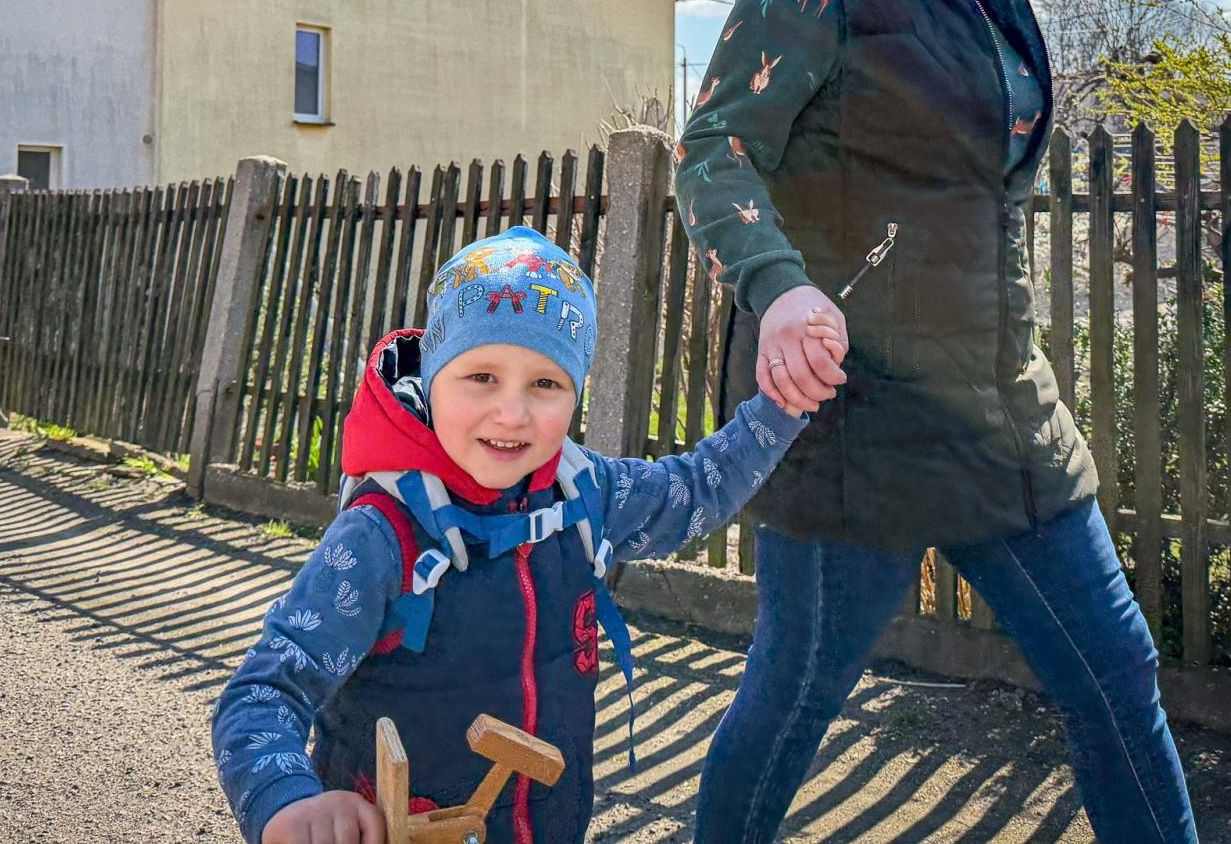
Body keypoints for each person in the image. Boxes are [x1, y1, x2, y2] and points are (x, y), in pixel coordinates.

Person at [676, 0, 1197, 843]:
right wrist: (779, 287)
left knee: (1117, 675)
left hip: (1000, 407)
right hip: (854, 421)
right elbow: (712, 149)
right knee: (790, 703)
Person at [211, 226, 835, 844]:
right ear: (431, 375)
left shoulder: (585, 492)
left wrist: (781, 406)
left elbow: (696, 490)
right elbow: (264, 693)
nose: (512, 414)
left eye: (545, 383)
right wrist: (288, 803)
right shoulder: (379, 538)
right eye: (481, 376)